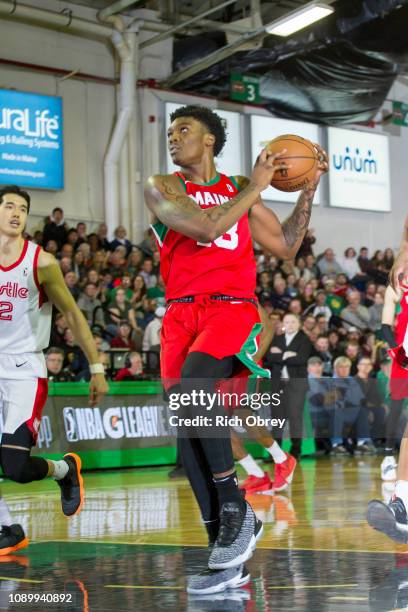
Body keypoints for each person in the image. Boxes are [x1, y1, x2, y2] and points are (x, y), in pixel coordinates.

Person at [144, 104, 327, 594]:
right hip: (181, 314)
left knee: (199, 382)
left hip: (231, 307)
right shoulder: (163, 186)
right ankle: (226, 559)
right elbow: (203, 228)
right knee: (189, 438)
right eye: (171, 130)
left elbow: (287, 245)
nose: (173, 137)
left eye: (184, 129)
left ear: (209, 141)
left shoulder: (239, 187)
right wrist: (256, 187)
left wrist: (307, 189)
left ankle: (233, 505)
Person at [0, 185, 108, 549]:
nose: (16, 213)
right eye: (9, 206)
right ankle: (7, 530)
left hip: (23, 370)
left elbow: (74, 316)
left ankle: (64, 470)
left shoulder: (41, 262)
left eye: (23, 208)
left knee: (14, 469)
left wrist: (96, 367)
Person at [367, 216, 408, 541]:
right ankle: (402, 501)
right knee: (400, 415)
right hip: (403, 349)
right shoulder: (398, 281)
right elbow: (385, 323)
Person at [264, 312, 313, 458]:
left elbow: (301, 359)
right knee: (276, 418)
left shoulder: (304, 340)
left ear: (298, 324)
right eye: (287, 322)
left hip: (296, 385)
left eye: (293, 322)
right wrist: (288, 355)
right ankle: (276, 453)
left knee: (295, 417)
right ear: (283, 324)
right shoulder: (276, 339)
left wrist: (280, 355)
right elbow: (269, 358)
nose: (289, 325)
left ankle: (295, 450)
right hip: (278, 385)